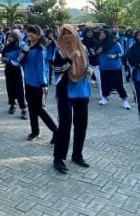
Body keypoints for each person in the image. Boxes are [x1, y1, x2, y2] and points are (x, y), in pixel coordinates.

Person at [51, 24, 91, 174]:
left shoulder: (84, 48)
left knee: (81, 125)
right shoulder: (59, 51)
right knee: (65, 125)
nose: (67, 37)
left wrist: (88, 70)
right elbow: (56, 69)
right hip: (65, 92)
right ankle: (58, 158)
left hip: (82, 91)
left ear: (75, 34)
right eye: (64, 34)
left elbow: (86, 64)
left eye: (70, 33)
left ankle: (77, 155)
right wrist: (70, 60)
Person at [20, 25, 57, 142]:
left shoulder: (40, 49)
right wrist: (24, 52)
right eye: (29, 33)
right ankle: (35, 131)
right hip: (28, 82)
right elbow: (19, 61)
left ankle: (57, 131)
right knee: (31, 108)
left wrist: (43, 84)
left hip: (38, 84)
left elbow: (41, 68)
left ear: (39, 35)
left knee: (40, 109)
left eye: (33, 33)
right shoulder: (27, 47)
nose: (30, 35)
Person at [96, 30, 130, 109]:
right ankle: (104, 97)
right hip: (103, 67)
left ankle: (124, 100)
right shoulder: (99, 44)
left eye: (103, 33)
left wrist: (115, 56)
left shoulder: (115, 44)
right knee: (104, 83)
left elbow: (122, 53)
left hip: (115, 67)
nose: (101, 35)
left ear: (108, 35)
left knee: (118, 84)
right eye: (100, 33)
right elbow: (96, 53)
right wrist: (98, 51)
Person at [2, 29, 27, 118]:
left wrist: (8, 60)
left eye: (11, 36)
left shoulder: (21, 46)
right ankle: (12, 105)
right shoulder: (7, 47)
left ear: (16, 37)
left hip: (18, 70)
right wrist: (4, 60)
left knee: (20, 89)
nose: (9, 37)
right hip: (9, 70)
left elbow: (20, 60)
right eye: (8, 36)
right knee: (10, 88)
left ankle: (23, 108)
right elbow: (4, 57)